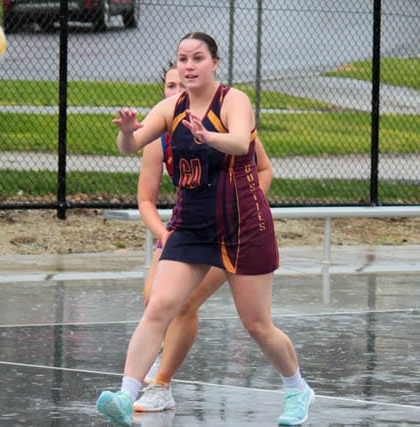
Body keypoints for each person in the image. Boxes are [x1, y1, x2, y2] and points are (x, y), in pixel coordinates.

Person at [96, 32, 313, 426]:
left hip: (242, 224)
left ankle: (297, 389)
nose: (189, 66)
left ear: (215, 62)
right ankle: (126, 395)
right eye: (183, 59)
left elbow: (240, 143)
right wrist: (127, 131)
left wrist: (207, 136)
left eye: (197, 58)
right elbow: (130, 146)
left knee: (257, 325)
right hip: (191, 224)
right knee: (159, 305)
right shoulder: (170, 107)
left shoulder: (233, 100)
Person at [134, 61, 274, 413]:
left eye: (182, 85)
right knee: (154, 300)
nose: (178, 90)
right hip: (188, 228)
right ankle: (142, 373)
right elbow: (146, 200)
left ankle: (161, 383)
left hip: (231, 228)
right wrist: (164, 234)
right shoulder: (160, 135)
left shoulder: (225, 120)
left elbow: (263, 168)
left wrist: (245, 206)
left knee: (187, 304)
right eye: (171, 85)